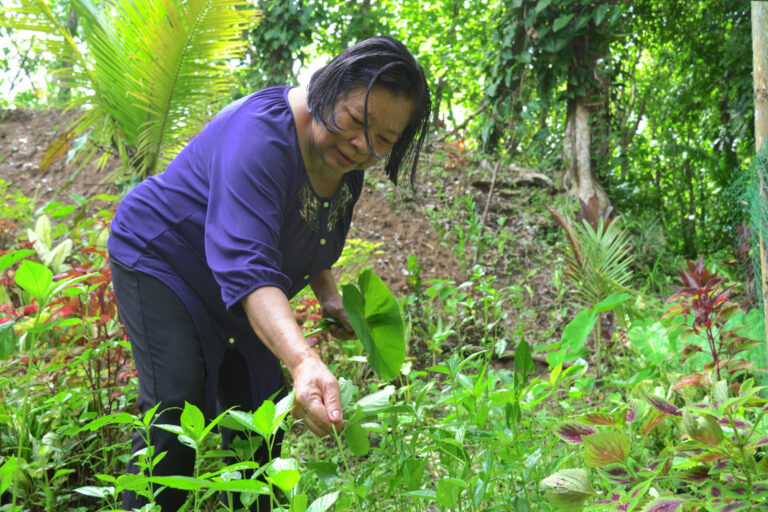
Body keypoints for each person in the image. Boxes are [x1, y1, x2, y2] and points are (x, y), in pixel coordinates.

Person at [107, 35, 431, 510]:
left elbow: (310, 234)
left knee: (262, 420)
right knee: (174, 412)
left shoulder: (348, 162)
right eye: (356, 120)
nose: (363, 144)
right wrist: (304, 360)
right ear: (329, 87)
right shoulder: (258, 135)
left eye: (384, 139)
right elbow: (246, 264)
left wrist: (329, 297)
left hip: (238, 292)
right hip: (164, 260)